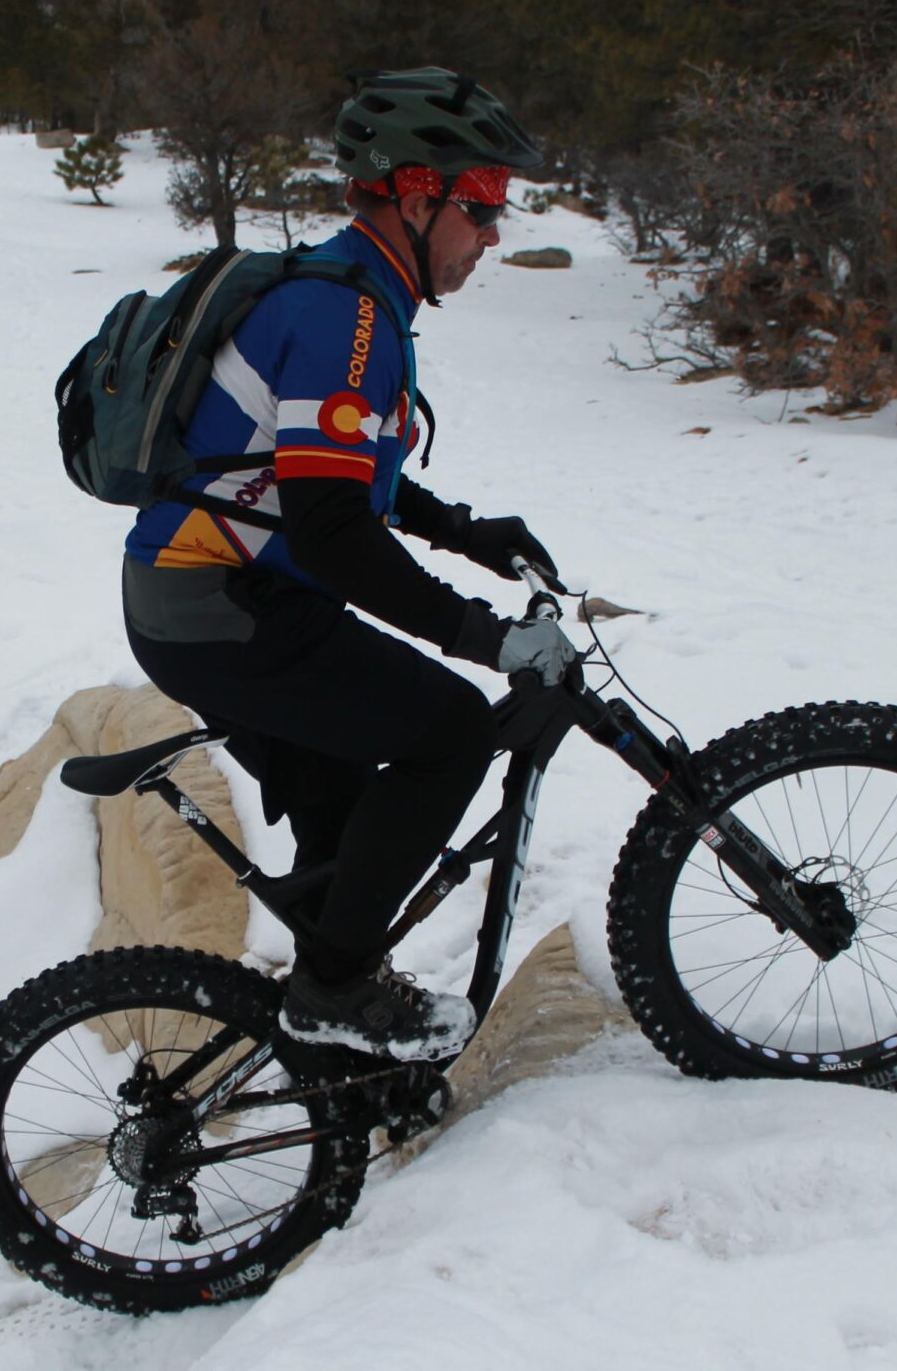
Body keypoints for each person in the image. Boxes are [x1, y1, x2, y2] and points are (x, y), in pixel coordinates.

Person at [118, 68, 576, 1060]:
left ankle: (331, 1069)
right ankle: (328, 997)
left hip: (209, 600)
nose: (492, 233)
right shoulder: (347, 317)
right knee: (448, 730)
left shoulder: (348, 290)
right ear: (416, 197)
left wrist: (461, 529)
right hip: (223, 605)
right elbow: (331, 528)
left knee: (344, 829)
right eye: (482, 204)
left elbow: (327, 471)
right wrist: (485, 637)